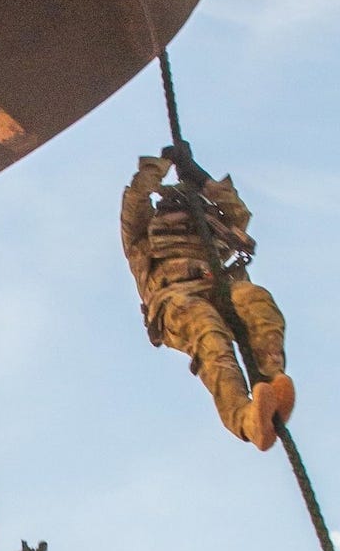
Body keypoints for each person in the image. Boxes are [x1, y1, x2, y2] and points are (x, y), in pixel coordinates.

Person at [121, 150, 293, 450]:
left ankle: (271, 381)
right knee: (208, 334)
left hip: (220, 288)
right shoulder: (142, 237)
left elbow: (237, 212)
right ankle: (247, 419)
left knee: (256, 300)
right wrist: (160, 168)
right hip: (175, 299)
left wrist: (199, 176)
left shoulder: (212, 230)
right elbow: (135, 201)